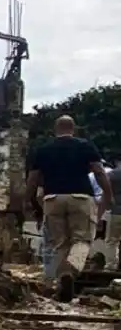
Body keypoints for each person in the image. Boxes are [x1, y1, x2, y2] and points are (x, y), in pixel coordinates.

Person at [26, 115, 113, 301]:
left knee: (59, 244)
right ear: (74, 129)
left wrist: (28, 201)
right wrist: (108, 193)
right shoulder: (85, 146)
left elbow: (32, 180)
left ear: (55, 130)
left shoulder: (44, 149)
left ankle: (61, 288)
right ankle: (69, 271)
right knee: (82, 240)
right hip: (80, 197)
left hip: (52, 198)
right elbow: (99, 171)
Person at [106, 158, 121, 270]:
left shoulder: (111, 175)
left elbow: (106, 194)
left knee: (112, 240)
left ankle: (111, 264)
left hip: (116, 211)